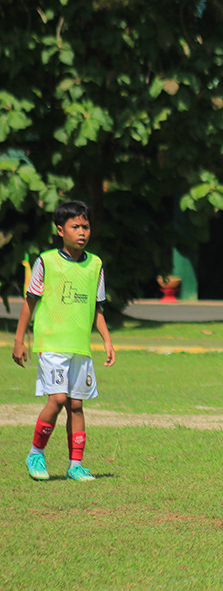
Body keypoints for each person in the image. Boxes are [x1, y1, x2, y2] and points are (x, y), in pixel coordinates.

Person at [12, 200, 116, 482]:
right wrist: (19, 340)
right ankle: (36, 453)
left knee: (77, 405)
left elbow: (97, 309)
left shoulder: (95, 264)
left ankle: (76, 465)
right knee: (57, 399)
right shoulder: (46, 261)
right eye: (75, 227)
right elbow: (29, 302)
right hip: (52, 344)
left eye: (86, 226)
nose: (82, 232)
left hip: (80, 346)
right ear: (60, 230)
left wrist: (107, 341)